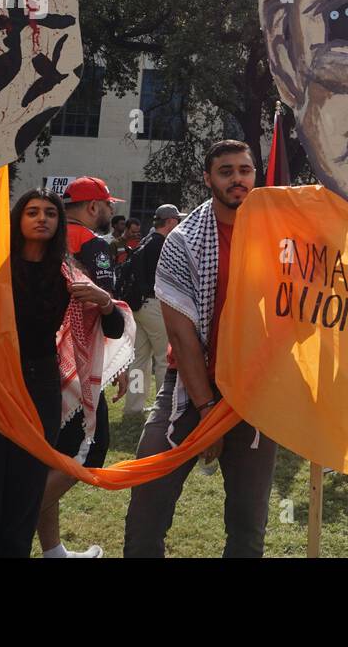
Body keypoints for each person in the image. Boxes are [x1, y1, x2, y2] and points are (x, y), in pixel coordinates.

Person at [123, 141, 278, 558]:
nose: (237, 179)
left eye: (244, 170)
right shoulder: (183, 241)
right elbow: (182, 335)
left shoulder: (279, 233)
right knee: (146, 510)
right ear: (208, 178)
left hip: (253, 391)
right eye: (225, 171)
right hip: (190, 387)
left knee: (248, 524)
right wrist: (207, 410)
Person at [0, 189, 122, 557]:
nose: (42, 218)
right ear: (18, 219)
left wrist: (104, 302)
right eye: (32, 212)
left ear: (60, 223)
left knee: (26, 483)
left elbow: (115, 328)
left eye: (50, 213)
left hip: (39, 384)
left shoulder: (68, 273)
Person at [35, 175, 130, 558]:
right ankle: (11, 521)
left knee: (50, 456)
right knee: (89, 450)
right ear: (93, 207)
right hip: (73, 365)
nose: (111, 211)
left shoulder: (41, 238)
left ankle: (52, 550)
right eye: (108, 204)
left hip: (36, 361)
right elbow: (102, 308)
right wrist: (117, 361)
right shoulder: (92, 244)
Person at [120, 204, 183, 417]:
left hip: (138, 306)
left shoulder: (146, 241)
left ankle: (133, 407)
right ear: (171, 221)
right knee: (163, 359)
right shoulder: (164, 244)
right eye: (178, 220)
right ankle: (163, 408)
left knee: (139, 360)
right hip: (155, 306)